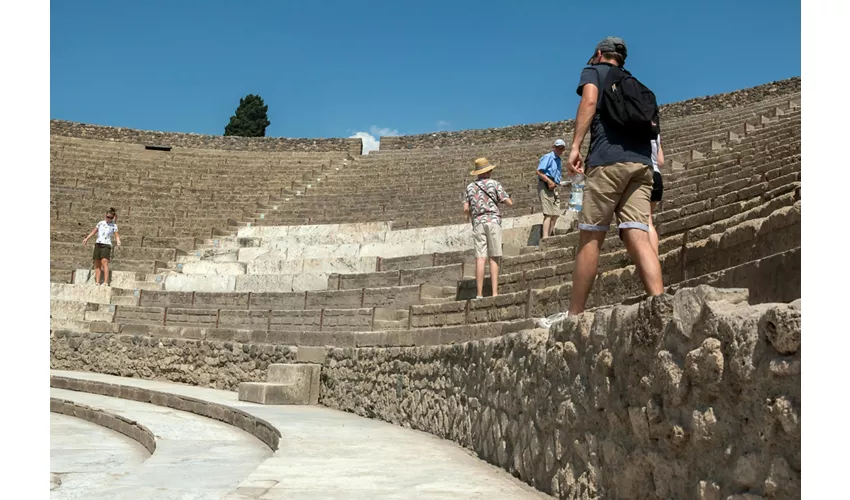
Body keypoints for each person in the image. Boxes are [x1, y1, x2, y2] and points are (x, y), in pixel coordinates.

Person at [539, 37, 664, 327]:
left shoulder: (594, 71)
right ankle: (660, 302)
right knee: (638, 233)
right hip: (642, 164)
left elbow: (590, 100)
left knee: (591, 236)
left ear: (599, 54)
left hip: (608, 162)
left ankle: (574, 317)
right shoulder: (634, 83)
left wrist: (575, 146)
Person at [463, 158, 513, 298]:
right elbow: (509, 202)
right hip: (493, 220)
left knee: (480, 257)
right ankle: (494, 292)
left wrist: (471, 214)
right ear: (489, 171)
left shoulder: (470, 187)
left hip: (478, 223)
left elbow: (465, 208)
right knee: (494, 256)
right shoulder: (494, 184)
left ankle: (479, 294)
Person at [536, 139, 567, 239]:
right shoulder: (548, 157)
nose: (559, 149)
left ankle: (549, 235)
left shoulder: (558, 160)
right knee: (548, 213)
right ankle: (545, 238)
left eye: (561, 148)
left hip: (554, 186)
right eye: (557, 147)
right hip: (545, 185)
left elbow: (556, 177)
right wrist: (549, 182)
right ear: (553, 147)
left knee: (556, 213)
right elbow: (539, 172)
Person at [82, 207, 121, 286]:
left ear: (112, 218)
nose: (108, 218)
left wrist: (118, 241)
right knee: (97, 263)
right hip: (98, 243)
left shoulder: (113, 225)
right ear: (105, 215)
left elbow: (116, 235)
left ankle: (106, 282)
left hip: (106, 244)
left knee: (104, 262)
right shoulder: (100, 223)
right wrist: (87, 238)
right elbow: (94, 231)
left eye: (110, 217)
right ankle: (97, 281)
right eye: (107, 216)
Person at [649, 120, 665, 256]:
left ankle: (651, 258)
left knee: (644, 222)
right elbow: (661, 161)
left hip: (645, 174)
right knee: (649, 220)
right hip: (657, 176)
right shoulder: (656, 133)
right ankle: (653, 256)